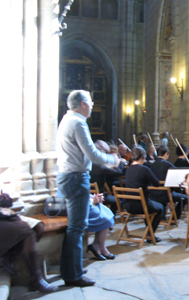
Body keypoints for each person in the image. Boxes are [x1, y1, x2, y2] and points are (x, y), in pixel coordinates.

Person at [56, 90, 119, 287]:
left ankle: (71, 268)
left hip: (69, 176)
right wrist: (112, 160)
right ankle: (73, 275)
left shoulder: (67, 120)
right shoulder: (78, 123)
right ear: (83, 103)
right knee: (77, 227)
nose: (92, 105)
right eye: (90, 102)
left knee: (75, 227)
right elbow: (92, 154)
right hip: (75, 178)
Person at [0, 193, 58, 293]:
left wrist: (4, 198)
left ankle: (10, 255)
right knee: (24, 230)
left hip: (4, 216)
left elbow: (8, 203)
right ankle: (36, 278)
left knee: (37, 226)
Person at [125, 146, 164, 242]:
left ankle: (149, 234)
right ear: (143, 156)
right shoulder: (144, 169)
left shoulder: (128, 169)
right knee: (160, 208)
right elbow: (157, 184)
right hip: (142, 205)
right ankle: (150, 235)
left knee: (151, 208)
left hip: (128, 205)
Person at [149, 145, 188, 219]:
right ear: (166, 154)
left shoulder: (152, 165)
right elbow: (177, 176)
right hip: (164, 195)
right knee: (185, 198)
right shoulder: (167, 164)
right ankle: (174, 218)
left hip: (153, 194)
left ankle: (162, 216)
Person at [90, 140, 123, 215]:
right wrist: (117, 164)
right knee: (119, 201)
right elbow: (119, 173)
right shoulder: (100, 167)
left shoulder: (89, 164)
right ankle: (110, 220)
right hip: (99, 196)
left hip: (89, 195)